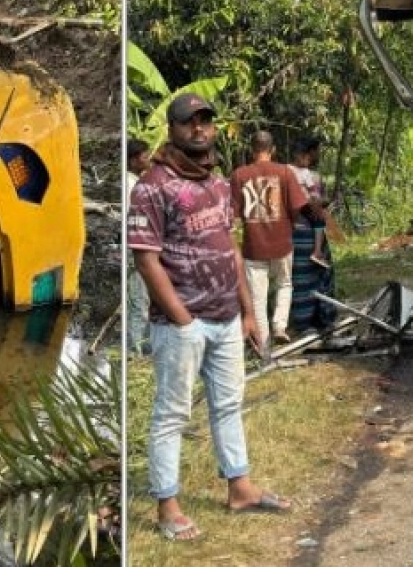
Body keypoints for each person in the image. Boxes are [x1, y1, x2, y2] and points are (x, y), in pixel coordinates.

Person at [129, 92, 292, 542]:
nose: (199, 129)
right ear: (172, 129)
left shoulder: (219, 185)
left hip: (225, 318)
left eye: (206, 121)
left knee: (228, 404)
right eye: (189, 122)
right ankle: (167, 506)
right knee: (171, 414)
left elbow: (230, 250)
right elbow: (146, 261)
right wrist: (181, 317)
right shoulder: (152, 186)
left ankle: (239, 487)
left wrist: (248, 312)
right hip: (183, 325)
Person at [230, 130, 308, 352]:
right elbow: (296, 208)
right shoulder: (284, 172)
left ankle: (262, 346)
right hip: (282, 243)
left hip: (254, 247)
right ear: (272, 149)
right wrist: (289, 226)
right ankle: (280, 326)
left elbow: (234, 216)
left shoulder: (239, 175)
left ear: (251, 149)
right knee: (285, 284)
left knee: (257, 298)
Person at [288, 136, 334, 331]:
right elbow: (314, 201)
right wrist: (319, 202)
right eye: (316, 152)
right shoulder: (305, 174)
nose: (318, 156)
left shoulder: (287, 172)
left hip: (295, 230)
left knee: (301, 278)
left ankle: (305, 320)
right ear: (307, 154)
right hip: (304, 229)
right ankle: (316, 318)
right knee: (313, 275)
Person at [125, 137, 153, 356]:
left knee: (140, 297)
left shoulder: (134, 182)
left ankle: (139, 344)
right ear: (134, 160)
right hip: (136, 246)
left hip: (136, 244)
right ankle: (135, 349)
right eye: (145, 156)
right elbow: (133, 218)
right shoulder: (132, 185)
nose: (148, 159)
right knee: (139, 299)